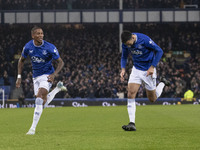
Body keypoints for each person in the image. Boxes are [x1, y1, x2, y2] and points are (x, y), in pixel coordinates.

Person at [16, 26, 67, 135]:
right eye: (38, 34)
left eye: (42, 33)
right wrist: (19, 77)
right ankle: (57, 89)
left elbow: (61, 62)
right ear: (32, 35)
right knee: (42, 103)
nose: (41, 35)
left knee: (39, 99)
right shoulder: (28, 47)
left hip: (47, 75)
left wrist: (54, 74)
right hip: (36, 77)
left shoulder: (49, 47)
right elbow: (21, 61)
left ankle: (32, 129)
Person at [120, 31, 170, 131]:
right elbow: (124, 56)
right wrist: (123, 69)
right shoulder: (125, 43)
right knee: (130, 94)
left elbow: (159, 51)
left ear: (132, 38)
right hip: (136, 69)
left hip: (148, 71)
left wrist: (152, 67)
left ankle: (162, 83)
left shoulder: (144, 39)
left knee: (152, 99)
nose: (127, 46)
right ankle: (132, 123)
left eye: (128, 44)